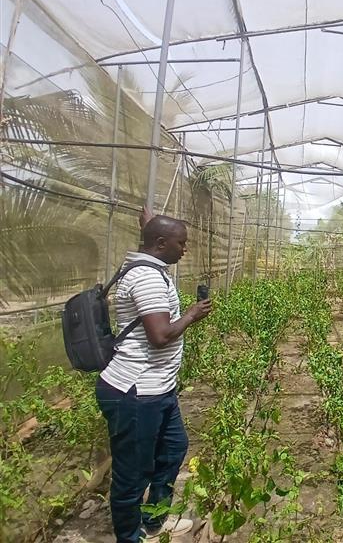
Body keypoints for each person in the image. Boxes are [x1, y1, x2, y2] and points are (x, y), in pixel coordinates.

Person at [96, 211, 212, 543]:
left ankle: (154, 520)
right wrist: (192, 314)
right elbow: (159, 335)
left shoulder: (150, 266)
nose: (185, 248)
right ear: (160, 243)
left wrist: (148, 221)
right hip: (135, 392)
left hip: (158, 388)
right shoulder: (146, 277)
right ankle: (130, 537)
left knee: (174, 447)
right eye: (181, 242)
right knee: (132, 474)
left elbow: (152, 233)